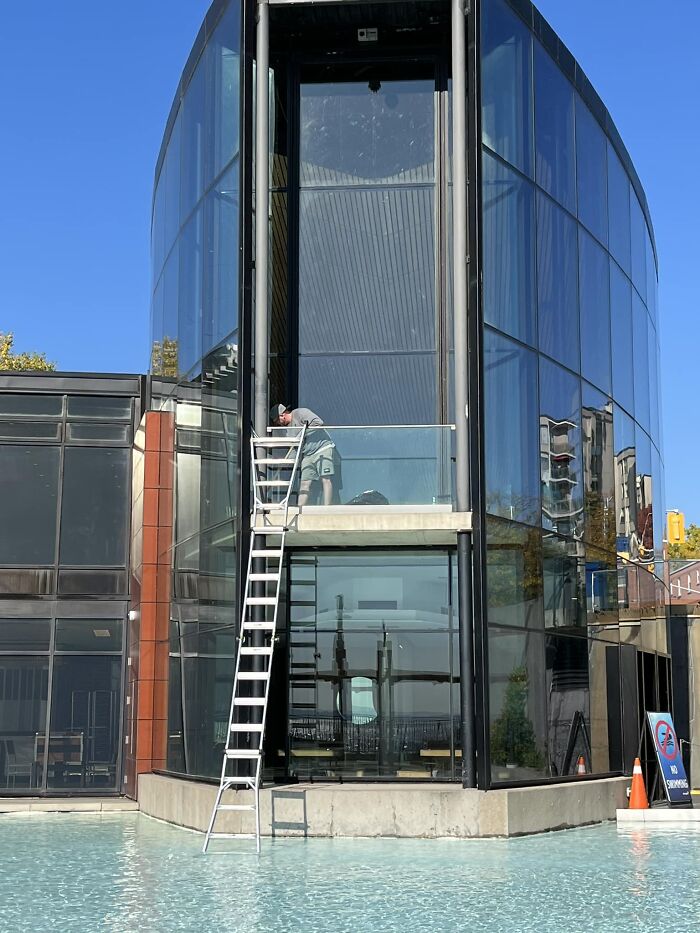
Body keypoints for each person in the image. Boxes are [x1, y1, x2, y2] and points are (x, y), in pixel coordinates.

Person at [270, 404, 335, 506]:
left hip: (322, 448)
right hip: (307, 454)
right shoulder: (287, 431)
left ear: (282, 415)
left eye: (277, 421)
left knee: (325, 478)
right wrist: (287, 462)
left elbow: (319, 423)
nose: (278, 424)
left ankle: (327, 508)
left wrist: (303, 434)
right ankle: (300, 509)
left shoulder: (300, 413)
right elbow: (295, 448)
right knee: (304, 483)